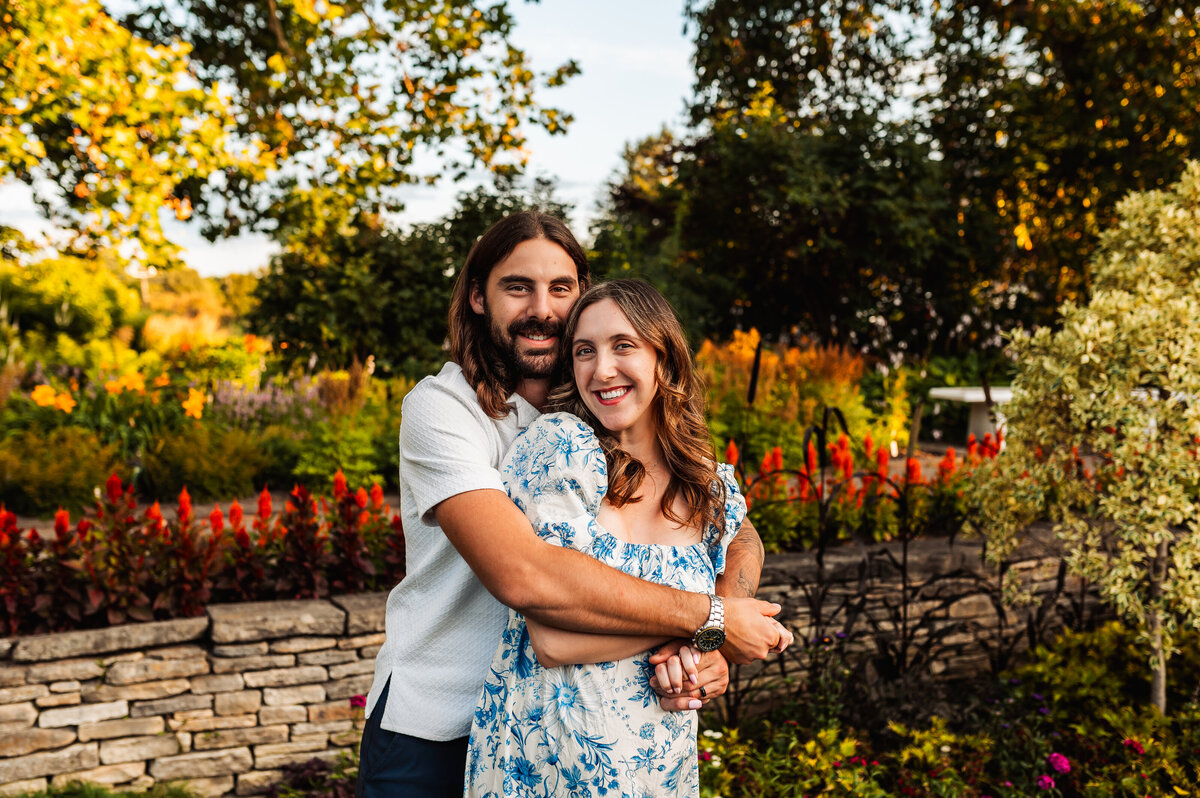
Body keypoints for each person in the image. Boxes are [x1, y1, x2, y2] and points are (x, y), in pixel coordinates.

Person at [357, 212, 787, 798]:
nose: (543, 308)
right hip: (437, 723)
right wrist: (711, 620)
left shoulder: (604, 413)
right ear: (479, 297)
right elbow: (524, 574)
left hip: (573, 734)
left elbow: (734, 530)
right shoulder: (444, 410)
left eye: (561, 288)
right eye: (518, 287)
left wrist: (713, 635)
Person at [466, 279, 789, 797]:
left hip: (661, 766)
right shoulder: (563, 449)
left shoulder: (703, 479)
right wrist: (715, 628)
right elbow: (554, 641)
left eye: (624, 345)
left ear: (664, 357)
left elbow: (743, 541)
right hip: (553, 762)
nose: (602, 369)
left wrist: (710, 640)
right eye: (584, 351)